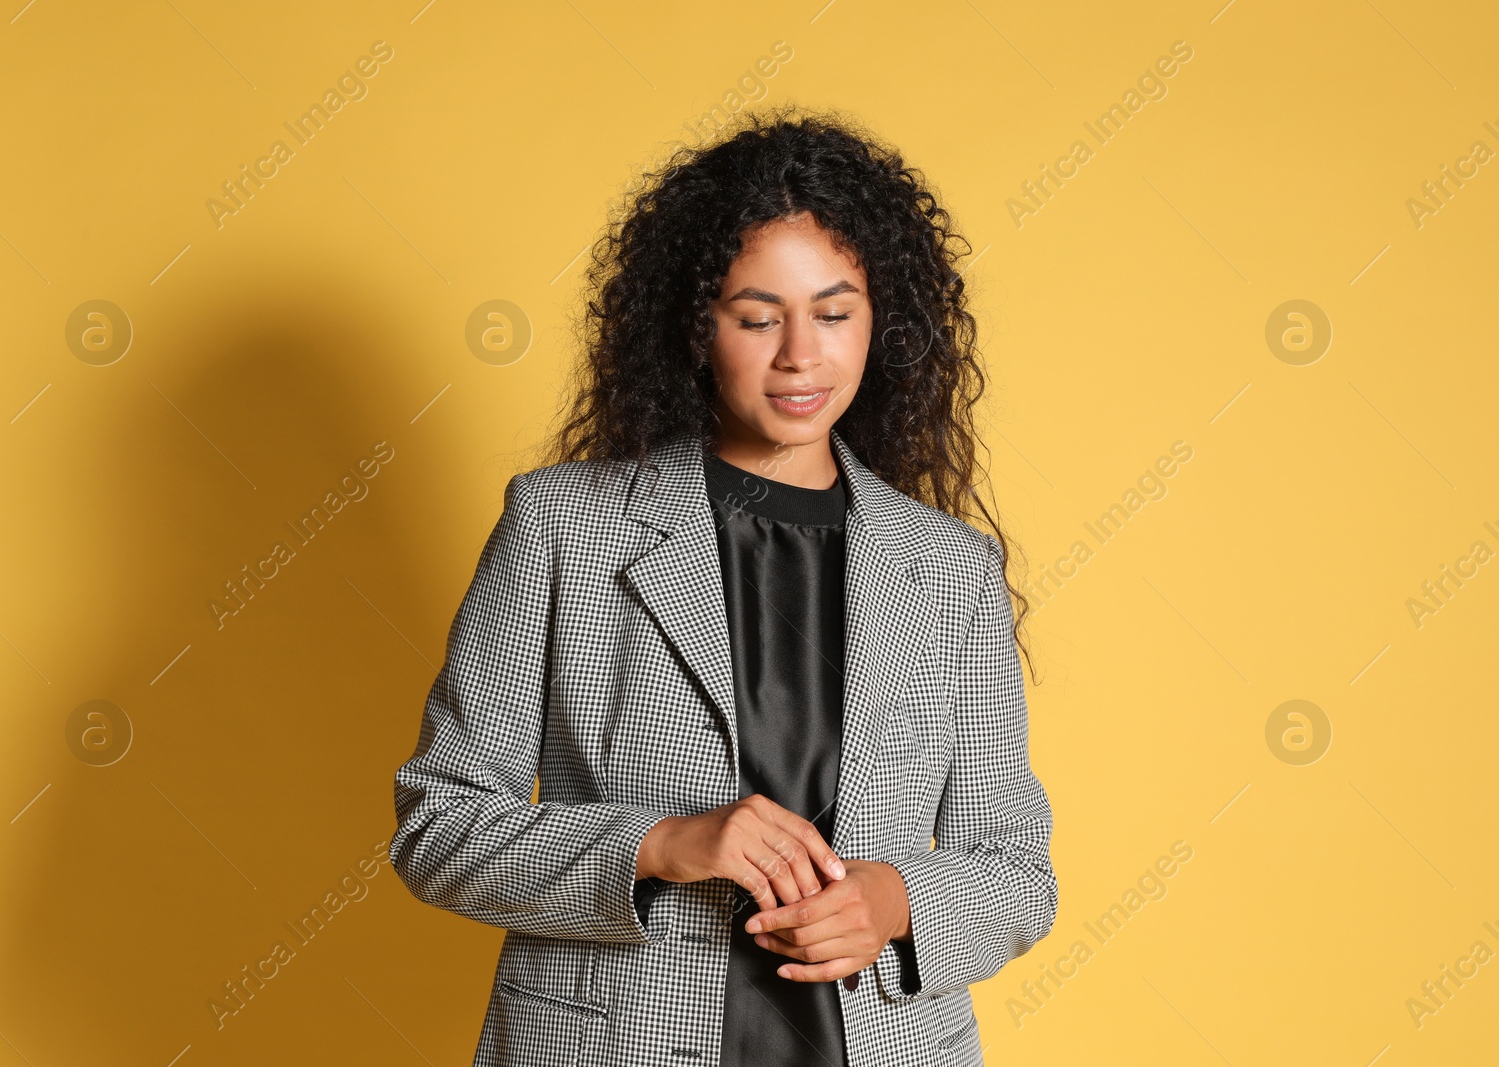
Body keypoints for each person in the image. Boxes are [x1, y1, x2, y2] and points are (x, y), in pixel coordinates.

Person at [389, 105, 1057, 1067]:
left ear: (884, 323)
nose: (801, 354)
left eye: (834, 313)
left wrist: (896, 901)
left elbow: (1015, 873)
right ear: (695, 322)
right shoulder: (561, 526)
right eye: (757, 317)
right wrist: (656, 845)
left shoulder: (951, 567)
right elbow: (439, 826)